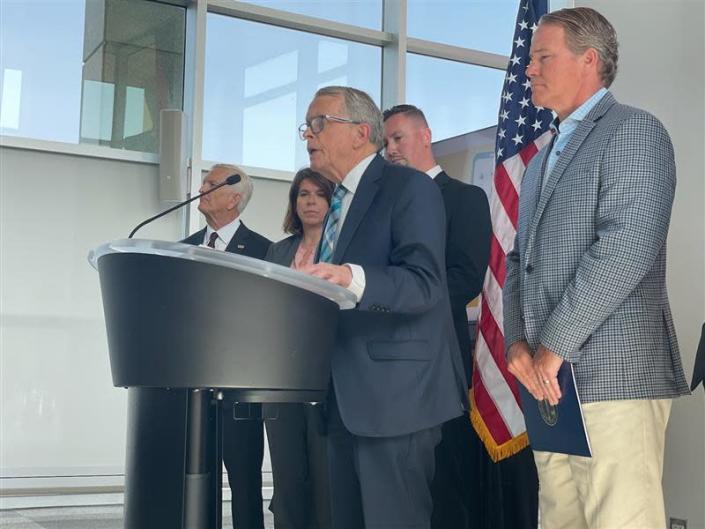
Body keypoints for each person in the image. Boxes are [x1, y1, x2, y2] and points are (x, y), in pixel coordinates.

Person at [502, 8, 690, 529]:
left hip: (613, 375)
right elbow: (520, 259)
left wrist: (552, 346)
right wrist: (518, 343)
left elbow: (627, 246)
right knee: (560, 519)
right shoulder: (542, 158)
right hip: (548, 383)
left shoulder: (634, 131)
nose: (529, 70)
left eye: (542, 57)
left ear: (588, 60)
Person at [298, 85, 467, 529]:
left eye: (318, 123)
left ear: (360, 132)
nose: (308, 135)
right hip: (340, 396)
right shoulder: (338, 201)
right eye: (306, 126)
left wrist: (350, 275)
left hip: (396, 398)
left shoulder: (408, 187)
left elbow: (426, 283)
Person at [382, 103, 498, 528]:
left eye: (398, 138)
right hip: (386, 366)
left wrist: (395, 301)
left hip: (437, 360)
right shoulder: (385, 208)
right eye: (386, 142)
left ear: (425, 136)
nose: (390, 149)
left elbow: (466, 277)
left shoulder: (465, 199)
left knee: (445, 479)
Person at [183, 163, 271, 529]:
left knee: (244, 483)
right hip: (190, 389)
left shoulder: (265, 251)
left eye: (211, 183)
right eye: (203, 182)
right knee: (193, 482)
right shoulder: (183, 250)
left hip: (240, 387)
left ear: (234, 197)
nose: (202, 187)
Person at [264, 167, 335, 529]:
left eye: (319, 194)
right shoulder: (278, 250)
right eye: (303, 194)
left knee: (326, 482)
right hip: (281, 379)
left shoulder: (342, 249)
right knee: (287, 479)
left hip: (327, 379)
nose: (310, 202)